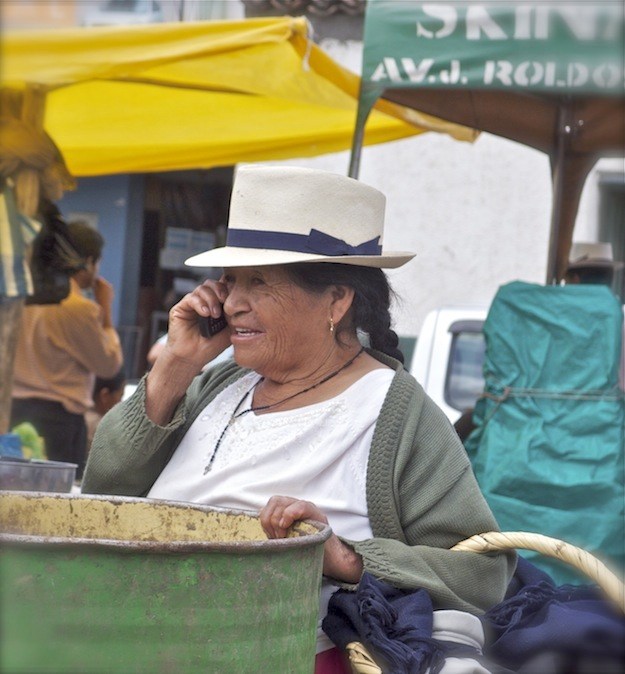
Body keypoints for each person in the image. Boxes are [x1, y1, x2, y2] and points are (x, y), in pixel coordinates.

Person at [82, 165, 515, 673]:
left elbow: (482, 575)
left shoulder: (394, 413)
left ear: (336, 300)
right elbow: (102, 493)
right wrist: (178, 363)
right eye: (230, 281)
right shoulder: (219, 385)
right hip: (128, 638)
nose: (232, 303)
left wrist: (345, 558)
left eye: (259, 282)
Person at [11, 219, 123, 479]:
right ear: (87, 261)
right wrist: (105, 310)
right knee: (53, 502)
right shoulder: (76, 308)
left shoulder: (21, 294)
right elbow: (108, 365)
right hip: (57, 422)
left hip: (12, 411)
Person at [565, 240, 624, 389]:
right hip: (609, 409)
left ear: (575, 280)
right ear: (611, 278)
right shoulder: (620, 318)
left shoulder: (554, 318)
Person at [85, 368, 126, 454]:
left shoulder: (81, 418)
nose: (121, 402)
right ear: (105, 396)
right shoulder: (102, 427)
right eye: (120, 396)